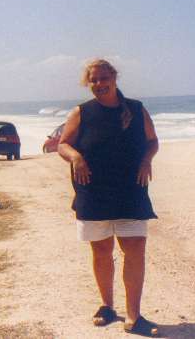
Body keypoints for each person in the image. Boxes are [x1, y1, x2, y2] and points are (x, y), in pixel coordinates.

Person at [57, 59, 160, 337]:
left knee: (135, 251)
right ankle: (107, 306)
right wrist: (76, 157)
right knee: (101, 251)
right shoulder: (82, 113)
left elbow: (153, 141)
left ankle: (134, 316)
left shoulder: (136, 110)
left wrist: (146, 160)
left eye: (104, 78)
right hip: (94, 192)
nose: (100, 84)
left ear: (114, 78)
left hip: (131, 191)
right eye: (94, 80)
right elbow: (62, 144)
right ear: (88, 83)